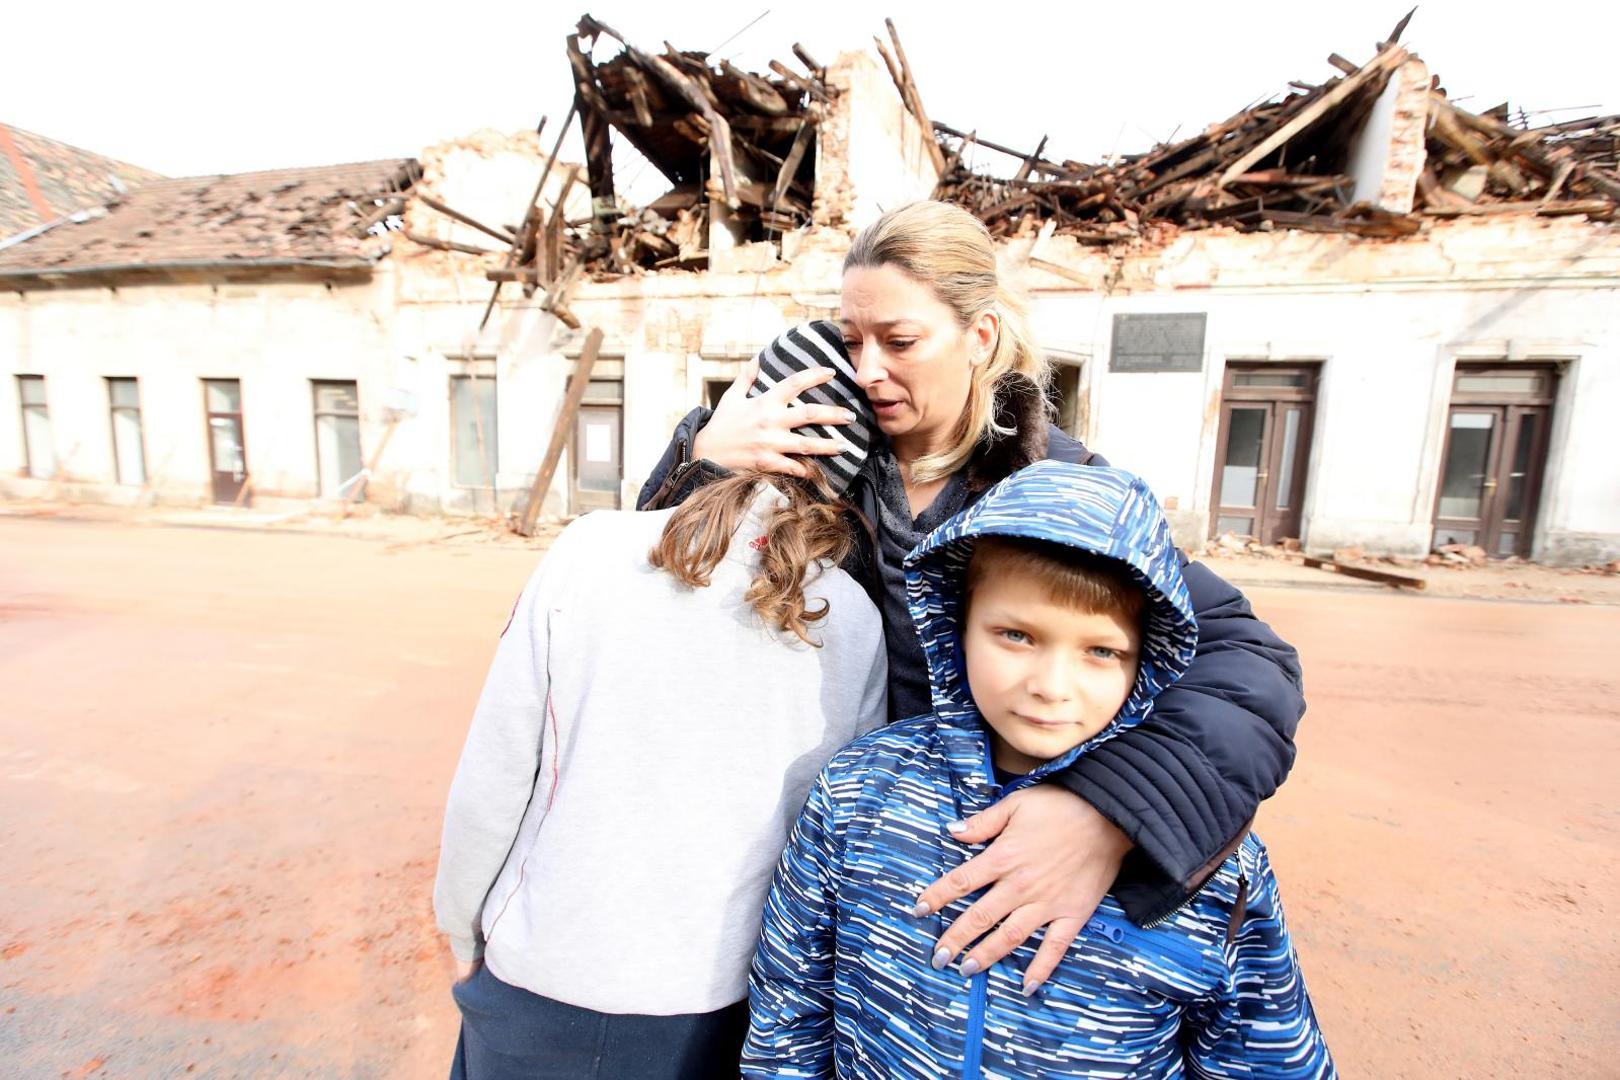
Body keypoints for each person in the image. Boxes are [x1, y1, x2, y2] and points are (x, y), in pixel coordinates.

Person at [639, 201, 1305, 988]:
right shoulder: (812, 459)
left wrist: (1107, 811)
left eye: (899, 341)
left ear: (980, 336)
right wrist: (705, 458)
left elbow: (1248, 664)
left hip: (989, 859)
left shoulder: (1061, 489)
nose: (867, 370)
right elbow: (652, 596)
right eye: (852, 340)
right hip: (810, 854)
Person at [743, 460, 1335, 1078]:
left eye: (1100, 651)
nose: (1051, 686)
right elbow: (791, 1007)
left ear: (1148, 658)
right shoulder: (857, 790)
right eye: (1017, 636)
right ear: (956, 626)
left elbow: (1267, 1058)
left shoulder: (1204, 860)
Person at [432, 327, 888, 1080]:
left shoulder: (591, 549)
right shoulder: (856, 619)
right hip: (716, 1007)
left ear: (739, 409)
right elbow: (829, 836)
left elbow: (496, 773)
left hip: (542, 975)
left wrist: (462, 927)